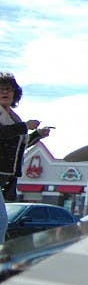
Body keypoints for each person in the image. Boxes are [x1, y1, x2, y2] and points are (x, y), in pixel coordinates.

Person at [0, 73, 51, 215]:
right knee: (2, 224)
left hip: (5, 179)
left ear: (15, 94)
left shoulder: (14, 118)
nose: (5, 92)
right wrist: (24, 126)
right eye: (1, 89)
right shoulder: (17, 122)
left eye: (9, 89)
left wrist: (38, 134)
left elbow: (20, 146)